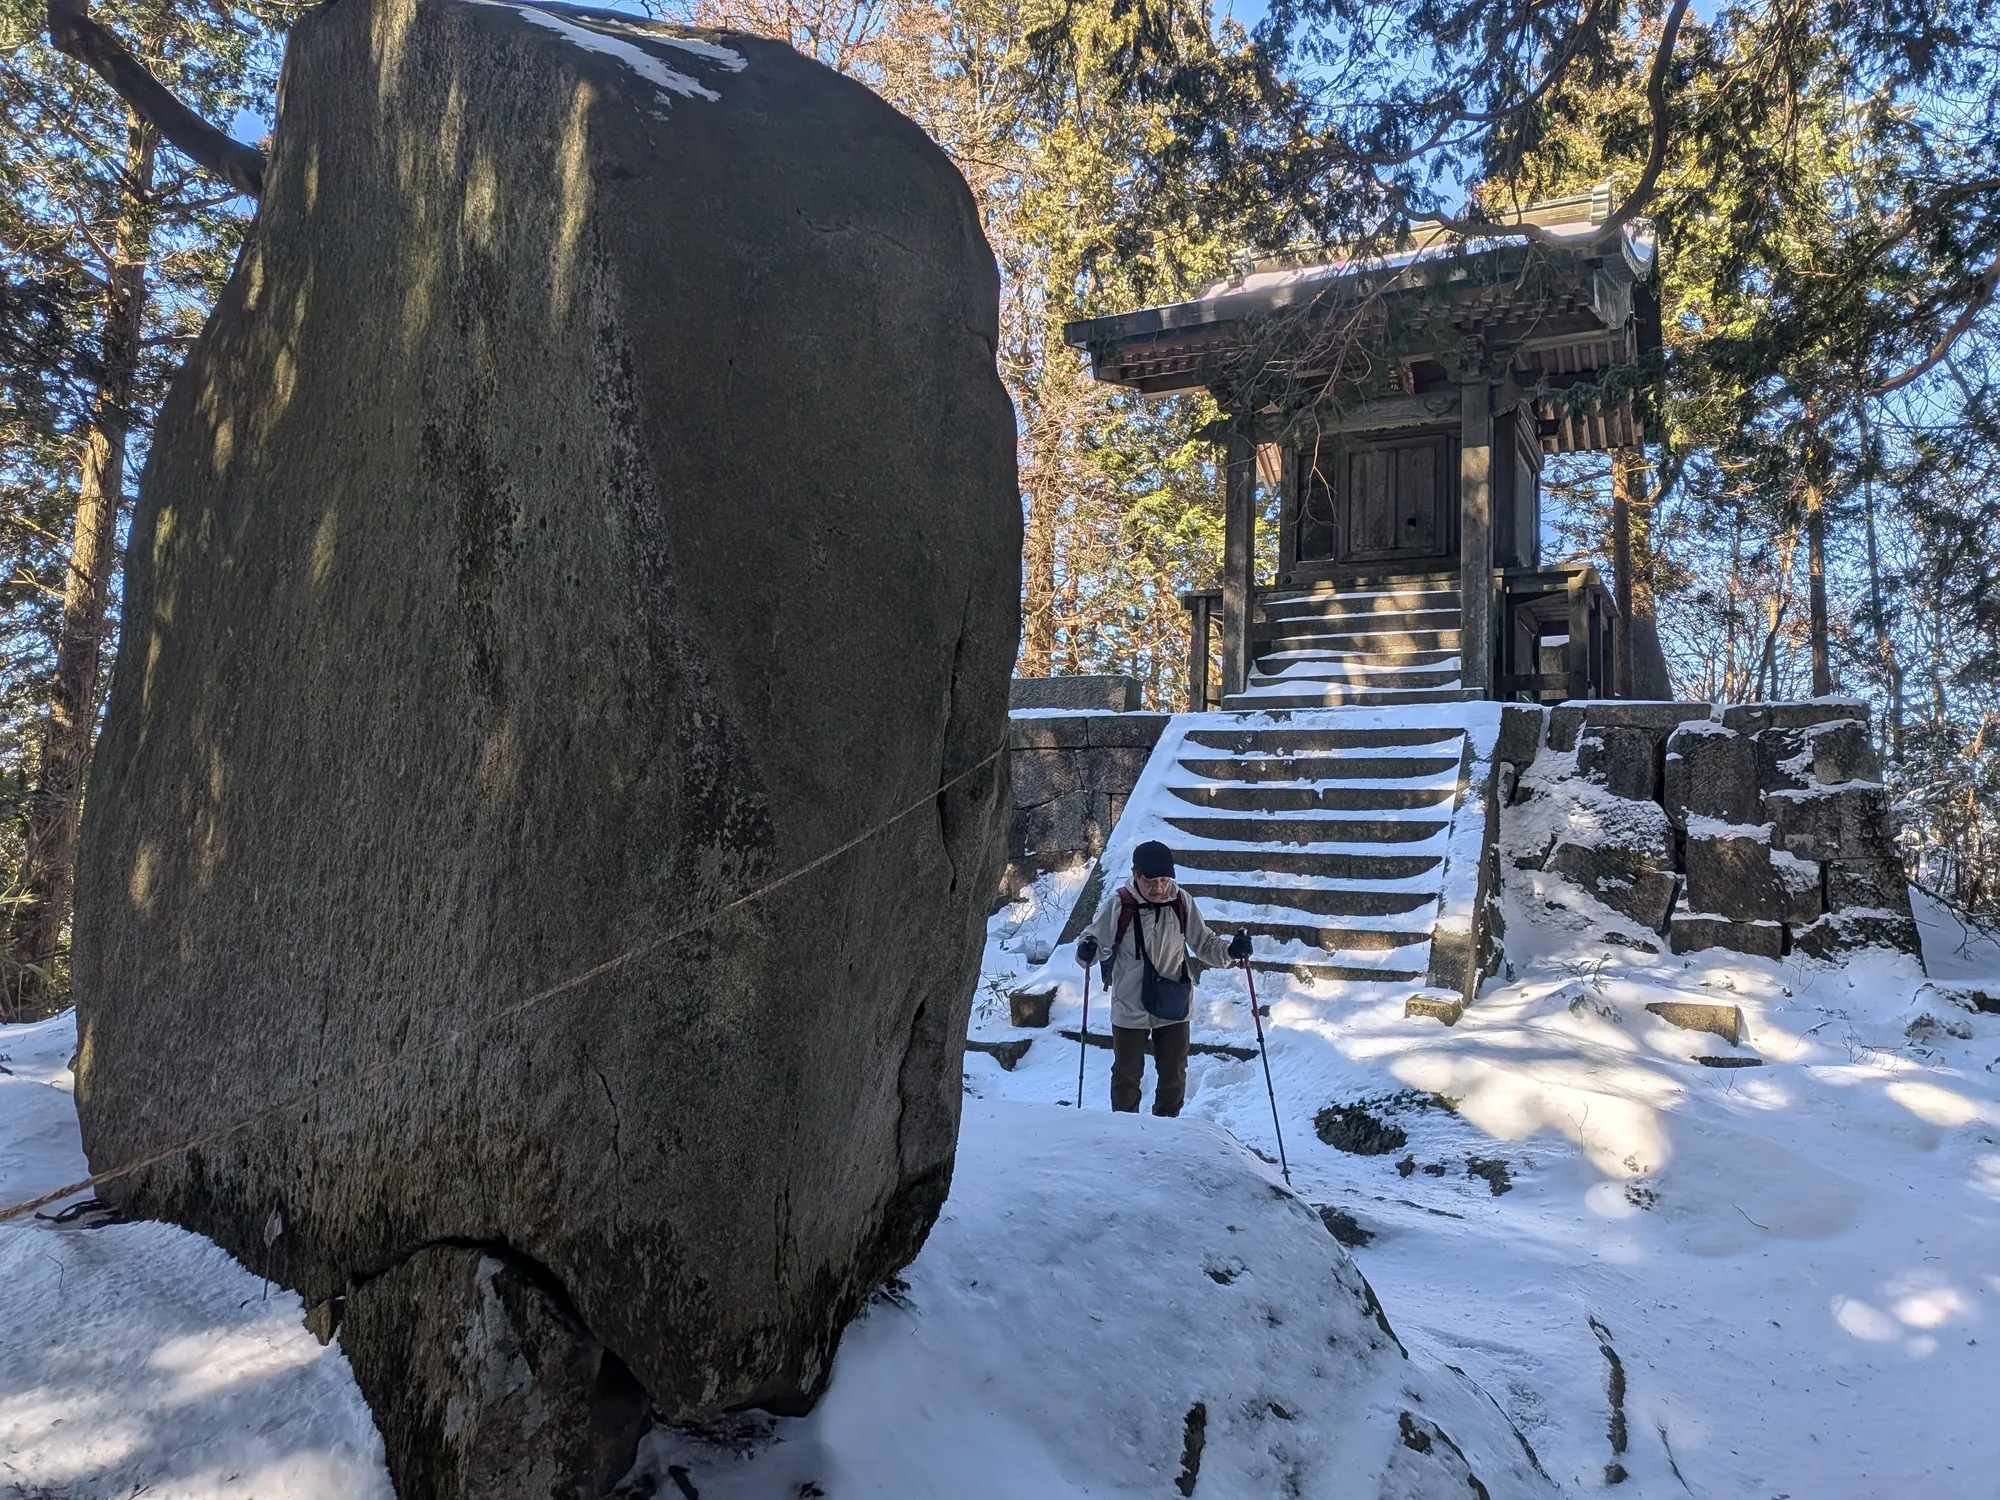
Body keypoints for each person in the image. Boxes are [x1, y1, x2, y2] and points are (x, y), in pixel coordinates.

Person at [1074, 840, 1252, 1117]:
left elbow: (1204, 943)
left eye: (1164, 880)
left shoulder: (1181, 902)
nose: (1159, 888)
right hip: (1130, 1004)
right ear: (1136, 875)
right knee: (1125, 1076)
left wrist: (1231, 951)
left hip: (1173, 1003)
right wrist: (1087, 949)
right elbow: (1094, 940)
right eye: (1151, 881)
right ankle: (1125, 1132)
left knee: (1174, 1076)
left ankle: (1166, 1132)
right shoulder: (1120, 904)